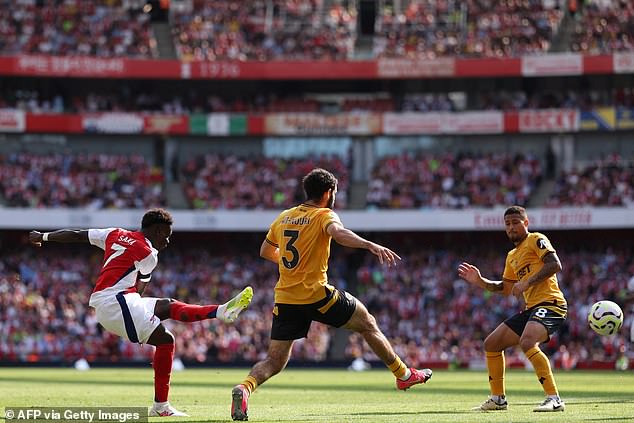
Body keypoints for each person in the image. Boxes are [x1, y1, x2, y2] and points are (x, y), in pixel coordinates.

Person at [230, 168, 432, 421]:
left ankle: (244, 388)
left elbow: (266, 250)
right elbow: (339, 233)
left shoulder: (284, 216)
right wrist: (369, 244)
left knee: (274, 361)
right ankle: (403, 376)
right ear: (328, 193)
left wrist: (293, 265)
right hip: (316, 295)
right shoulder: (324, 214)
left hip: (286, 299)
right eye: (335, 192)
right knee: (368, 323)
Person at [29, 208, 253, 417]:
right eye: (166, 235)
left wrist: (44, 237)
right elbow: (140, 288)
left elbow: (77, 234)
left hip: (115, 300)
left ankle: (220, 311)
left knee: (167, 305)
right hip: (117, 303)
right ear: (157, 231)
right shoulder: (148, 253)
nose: (167, 241)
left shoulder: (114, 233)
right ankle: (161, 407)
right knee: (166, 340)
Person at [457, 206, 567, 412]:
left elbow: (555, 264)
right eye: (507, 224)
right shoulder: (512, 256)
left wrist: (526, 282)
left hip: (552, 304)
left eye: (516, 222)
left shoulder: (536, 239)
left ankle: (554, 398)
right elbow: (506, 289)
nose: (511, 227)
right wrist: (480, 282)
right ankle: (498, 399)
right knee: (491, 344)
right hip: (532, 308)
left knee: (527, 342)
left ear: (526, 223)